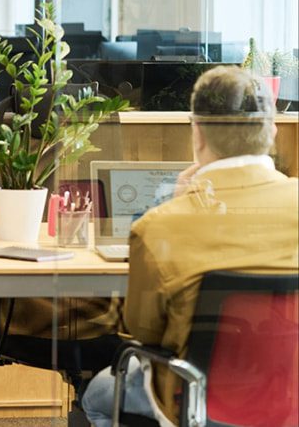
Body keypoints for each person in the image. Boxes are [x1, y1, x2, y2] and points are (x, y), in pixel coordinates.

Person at [81, 65, 298, 425]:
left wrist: (174, 206)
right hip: (289, 396)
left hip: (193, 401)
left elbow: (142, 331)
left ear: (197, 132)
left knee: (96, 398)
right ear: (272, 130)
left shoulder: (159, 225)